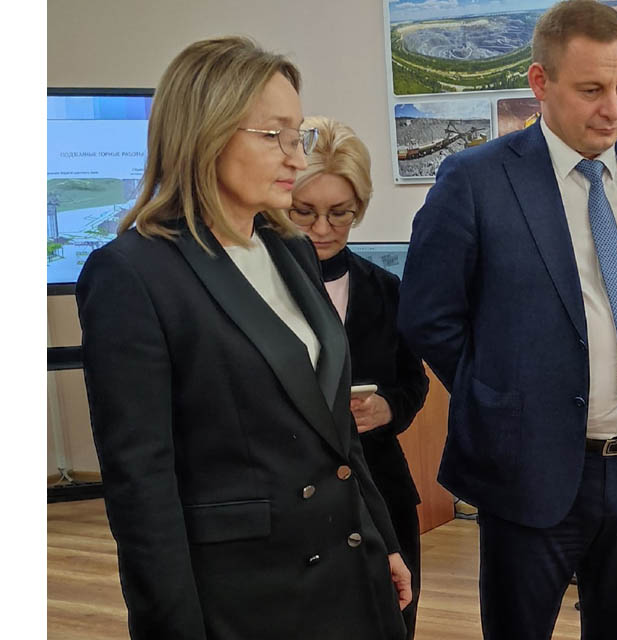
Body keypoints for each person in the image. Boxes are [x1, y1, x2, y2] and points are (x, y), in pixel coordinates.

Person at [75, 37, 410, 640]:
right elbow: (141, 484)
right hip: (248, 592)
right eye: (274, 136)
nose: (295, 157)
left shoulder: (289, 251)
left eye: (298, 136)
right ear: (206, 133)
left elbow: (335, 431)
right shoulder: (133, 274)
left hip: (347, 565)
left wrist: (380, 539)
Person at [396, 1, 617, 638]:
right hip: (527, 471)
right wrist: (497, 397)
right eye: (591, 90)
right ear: (540, 82)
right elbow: (428, 315)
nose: (613, 109)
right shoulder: (475, 179)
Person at [288, 115, 429, 637]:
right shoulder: (258, 290)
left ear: (360, 208)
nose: (322, 229)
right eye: (304, 212)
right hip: (296, 499)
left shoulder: (386, 289)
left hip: (382, 492)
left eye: (339, 213)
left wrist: (388, 408)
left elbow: (413, 382)